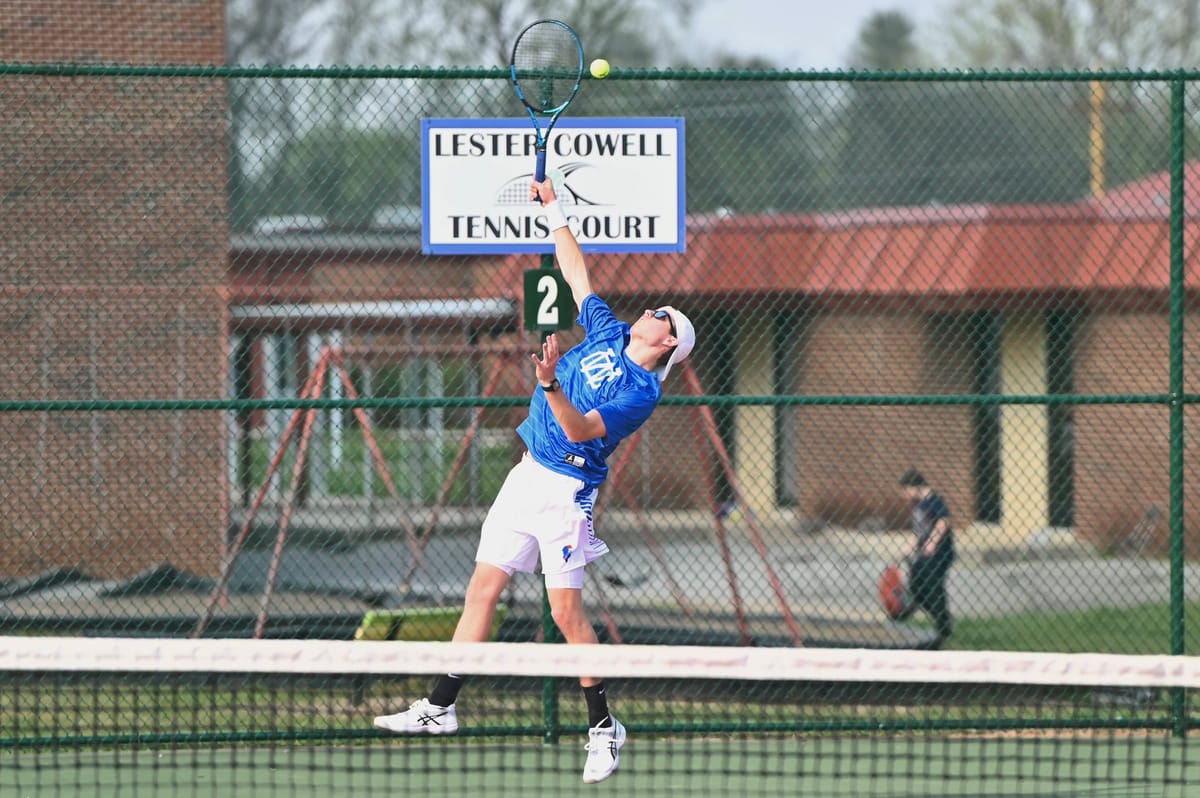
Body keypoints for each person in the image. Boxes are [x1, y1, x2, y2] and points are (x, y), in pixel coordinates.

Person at [373, 176, 696, 785]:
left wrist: (548, 382)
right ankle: (439, 708)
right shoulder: (606, 331)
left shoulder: (640, 392)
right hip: (525, 477)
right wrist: (556, 210)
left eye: (657, 315)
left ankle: (604, 727)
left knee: (567, 613)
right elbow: (578, 273)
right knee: (482, 591)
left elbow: (579, 432)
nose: (646, 312)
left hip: (566, 495)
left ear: (669, 340)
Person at [898, 468, 955, 644]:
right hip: (924, 555)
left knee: (934, 587)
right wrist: (908, 549)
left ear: (914, 487)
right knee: (916, 588)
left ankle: (944, 627)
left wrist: (932, 542)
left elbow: (944, 521)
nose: (905, 496)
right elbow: (918, 532)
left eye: (906, 491)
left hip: (940, 553)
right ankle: (940, 616)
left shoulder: (934, 500)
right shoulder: (918, 505)